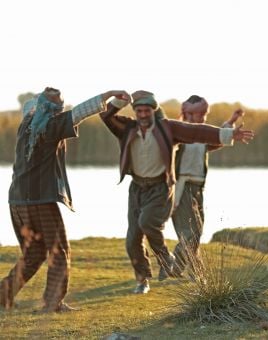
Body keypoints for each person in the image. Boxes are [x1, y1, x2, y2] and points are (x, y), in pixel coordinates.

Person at [100, 90, 254, 294]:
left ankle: (170, 261)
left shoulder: (168, 129)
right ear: (135, 111)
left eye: (147, 110)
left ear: (153, 111)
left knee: (159, 225)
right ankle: (143, 279)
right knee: (132, 240)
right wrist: (118, 101)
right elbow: (106, 116)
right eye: (139, 111)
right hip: (137, 187)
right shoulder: (127, 128)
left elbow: (197, 132)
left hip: (162, 187)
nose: (144, 115)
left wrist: (228, 133)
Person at [1, 87, 131, 312]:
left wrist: (45, 97)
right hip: (40, 200)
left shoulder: (27, 122)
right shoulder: (51, 125)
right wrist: (108, 94)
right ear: (53, 109)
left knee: (34, 253)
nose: (61, 110)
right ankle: (53, 303)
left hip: (17, 201)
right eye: (58, 107)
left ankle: (2, 296)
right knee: (59, 251)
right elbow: (80, 112)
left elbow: (30, 104)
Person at [170, 95, 244, 278]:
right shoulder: (178, 135)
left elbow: (218, 138)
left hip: (198, 188)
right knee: (192, 231)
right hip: (181, 187)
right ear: (187, 113)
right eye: (199, 114)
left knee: (195, 231)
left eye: (205, 114)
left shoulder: (201, 135)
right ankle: (178, 267)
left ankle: (189, 271)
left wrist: (231, 122)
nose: (203, 117)